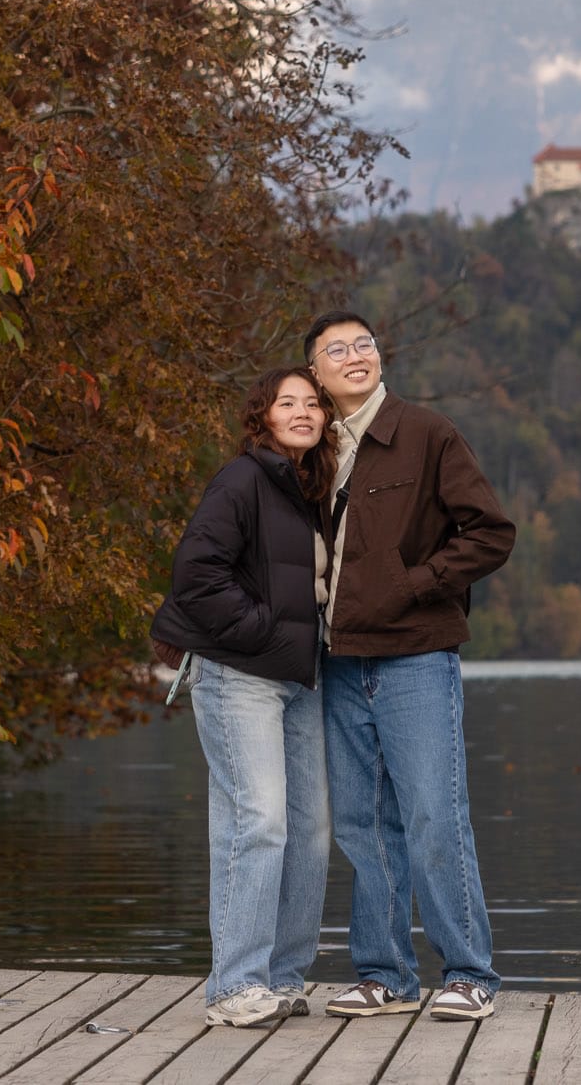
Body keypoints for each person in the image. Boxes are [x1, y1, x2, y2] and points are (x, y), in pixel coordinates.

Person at [304, 309, 516, 1022]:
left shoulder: (425, 433)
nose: (355, 355)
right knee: (363, 824)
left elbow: (491, 532)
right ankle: (386, 975)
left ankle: (469, 973)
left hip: (416, 657)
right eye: (337, 349)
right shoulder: (313, 451)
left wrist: (414, 584)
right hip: (337, 664)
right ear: (315, 374)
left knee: (433, 814)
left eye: (364, 343)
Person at [150, 367, 338, 1028]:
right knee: (256, 823)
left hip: (299, 678)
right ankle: (234, 987)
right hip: (239, 675)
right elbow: (195, 575)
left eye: (313, 403)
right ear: (262, 416)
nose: (303, 411)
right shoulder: (243, 479)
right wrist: (257, 629)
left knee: (310, 832)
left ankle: (282, 980)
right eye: (288, 402)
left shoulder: (308, 490)